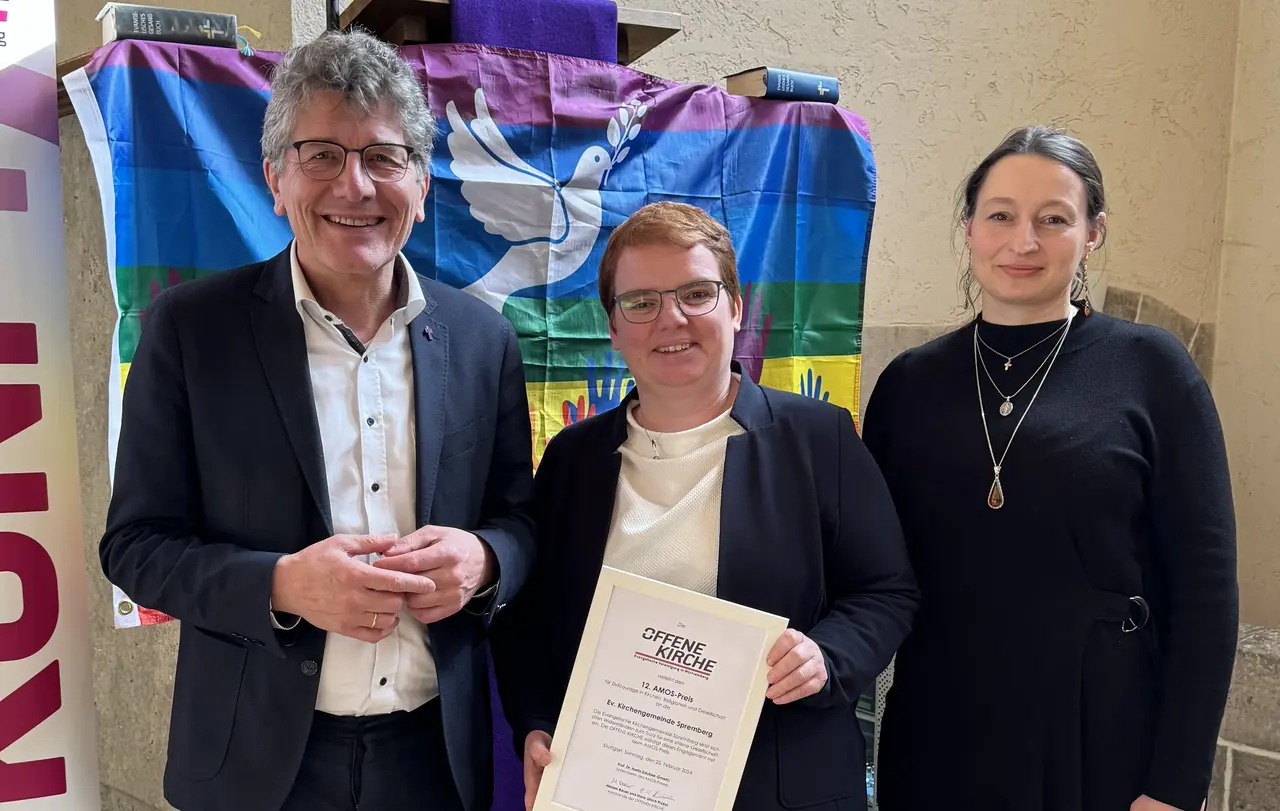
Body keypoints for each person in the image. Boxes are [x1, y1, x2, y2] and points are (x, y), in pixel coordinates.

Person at [98, 29, 536, 811]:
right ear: (274, 179)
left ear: (422, 181)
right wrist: (282, 583)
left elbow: (520, 520)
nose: (355, 186)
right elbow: (135, 547)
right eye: (323, 154)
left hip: (435, 762)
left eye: (383, 157)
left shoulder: (483, 340)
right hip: (255, 762)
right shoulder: (190, 331)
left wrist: (485, 559)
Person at [489, 201, 919, 811]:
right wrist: (535, 721)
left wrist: (827, 655)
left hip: (783, 782)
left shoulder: (818, 439)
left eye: (696, 293)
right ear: (613, 327)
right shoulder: (572, 460)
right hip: (612, 786)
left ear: (736, 307)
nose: (671, 319)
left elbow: (887, 591)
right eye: (641, 302)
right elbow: (529, 619)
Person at [861, 125, 1238, 811]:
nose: (1023, 240)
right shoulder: (909, 384)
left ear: (1093, 232)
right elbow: (868, 573)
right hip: (940, 732)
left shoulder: (1153, 369)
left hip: (1099, 737)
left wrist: (1175, 785)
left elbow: (1207, 595)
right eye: (1000, 214)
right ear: (970, 227)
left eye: (1054, 219)